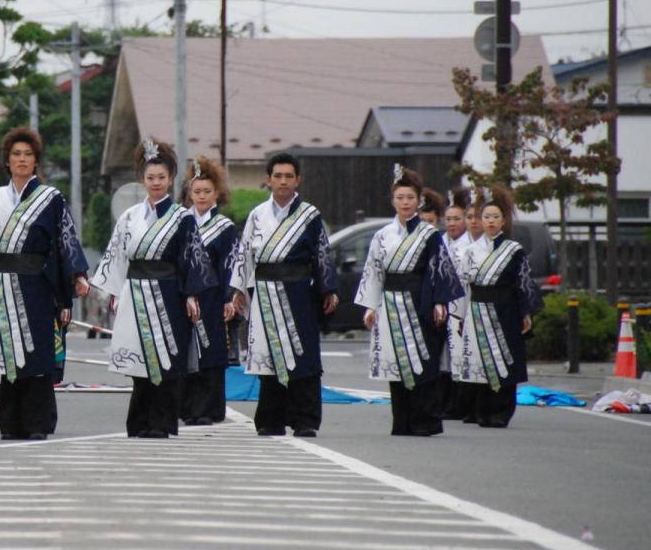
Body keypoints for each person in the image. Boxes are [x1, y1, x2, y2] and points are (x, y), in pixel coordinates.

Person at [0, 127, 90, 441]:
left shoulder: (50, 198)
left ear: (36, 161)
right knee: (6, 352)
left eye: (28, 154)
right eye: (16, 154)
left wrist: (77, 275)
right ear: (7, 160)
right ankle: (11, 423)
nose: (21, 159)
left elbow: (65, 240)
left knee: (36, 352)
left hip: (37, 285)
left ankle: (37, 423)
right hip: (0, 283)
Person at [90, 139, 216, 439]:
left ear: (171, 179)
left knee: (166, 357)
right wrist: (115, 292)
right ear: (142, 180)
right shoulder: (129, 217)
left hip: (169, 293)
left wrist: (191, 294)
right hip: (135, 292)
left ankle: (161, 423)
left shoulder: (183, 218)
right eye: (150, 177)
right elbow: (117, 256)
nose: (156, 182)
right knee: (138, 357)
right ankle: (138, 422)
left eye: (161, 177)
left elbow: (192, 258)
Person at [228, 153, 338, 437]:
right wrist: (238, 289)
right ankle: (270, 419)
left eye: (289, 176)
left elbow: (322, 253)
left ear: (297, 180)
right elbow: (244, 254)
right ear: (268, 180)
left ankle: (305, 420)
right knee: (269, 356)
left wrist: (328, 289)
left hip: (299, 292)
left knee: (303, 355)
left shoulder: (310, 215)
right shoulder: (257, 215)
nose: (283, 181)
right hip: (265, 291)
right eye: (278, 176)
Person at [355, 166, 462, 437]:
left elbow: (439, 270)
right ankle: (402, 422)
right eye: (400, 197)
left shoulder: (429, 235)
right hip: (390, 302)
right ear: (393, 200)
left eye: (410, 198)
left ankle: (425, 421)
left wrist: (440, 302)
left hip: (419, 301)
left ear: (419, 200)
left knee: (423, 359)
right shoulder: (382, 235)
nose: (405, 203)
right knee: (396, 361)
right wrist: (370, 306)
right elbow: (374, 271)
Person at [459, 185, 542, 428]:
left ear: (503, 220)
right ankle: (482, 410)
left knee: (504, 358)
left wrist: (525, 312)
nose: (491, 221)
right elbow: (463, 286)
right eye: (486, 216)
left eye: (495, 216)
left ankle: (501, 411)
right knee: (480, 359)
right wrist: (460, 315)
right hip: (477, 308)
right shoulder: (471, 251)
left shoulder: (513, 250)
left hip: (505, 309)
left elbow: (523, 283)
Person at [179, 156, 239, 426]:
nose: (201, 196)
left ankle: (208, 408)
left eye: (207, 191)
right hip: (185, 296)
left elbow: (231, 265)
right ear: (189, 194)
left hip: (213, 297)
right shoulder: (181, 222)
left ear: (216, 193)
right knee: (186, 349)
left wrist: (229, 297)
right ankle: (186, 407)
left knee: (211, 351)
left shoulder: (225, 228)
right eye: (197, 191)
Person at [441, 188, 473, 421]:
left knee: (462, 353)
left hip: (462, 303)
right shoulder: (440, 242)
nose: (452, 224)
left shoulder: (469, 246)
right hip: (443, 305)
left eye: (456, 219)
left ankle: (462, 403)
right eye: (448, 219)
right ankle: (445, 401)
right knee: (444, 356)